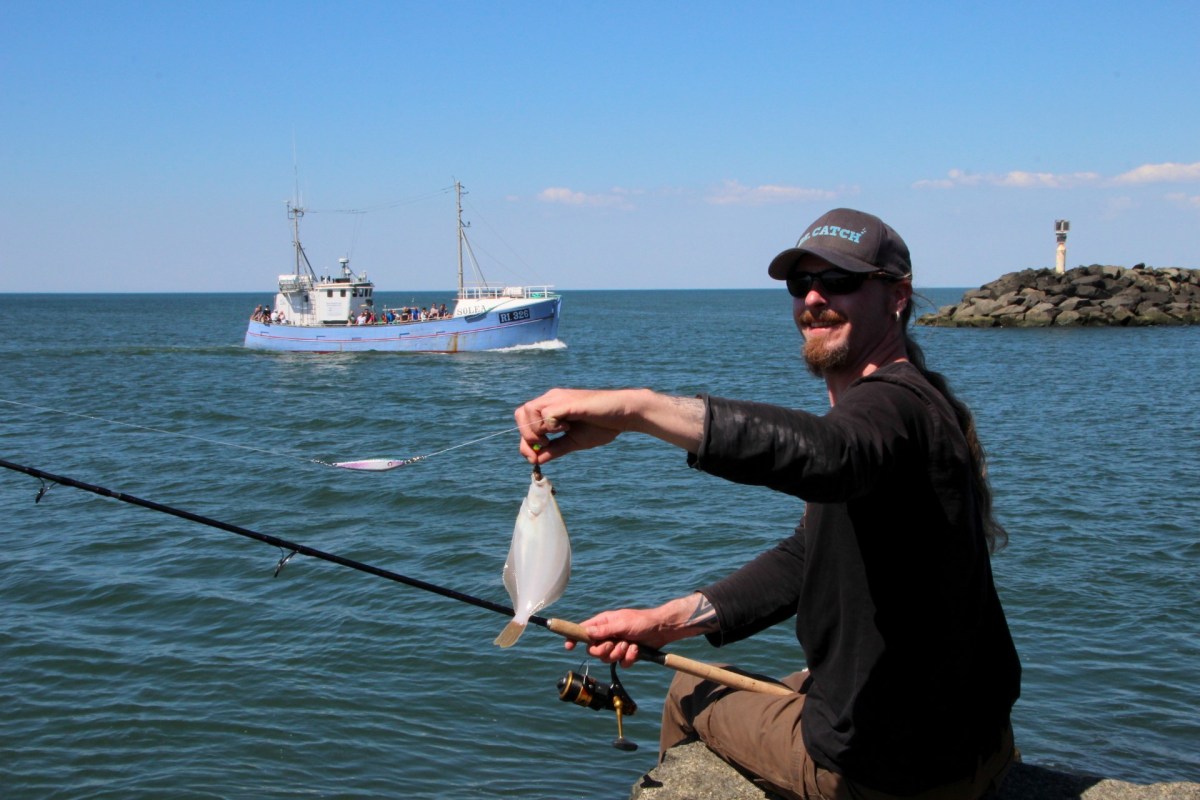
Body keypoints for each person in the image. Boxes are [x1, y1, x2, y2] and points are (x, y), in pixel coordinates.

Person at [513, 208, 1021, 800]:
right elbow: (808, 557)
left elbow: (829, 453)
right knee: (795, 682)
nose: (813, 298)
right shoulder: (920, 405)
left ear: (897, 296)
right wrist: (665, 623)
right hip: (974, 743)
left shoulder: (892, 410)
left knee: (689, 694)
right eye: (800, 283)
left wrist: (636, 409)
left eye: (840, 281)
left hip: (893, 773)